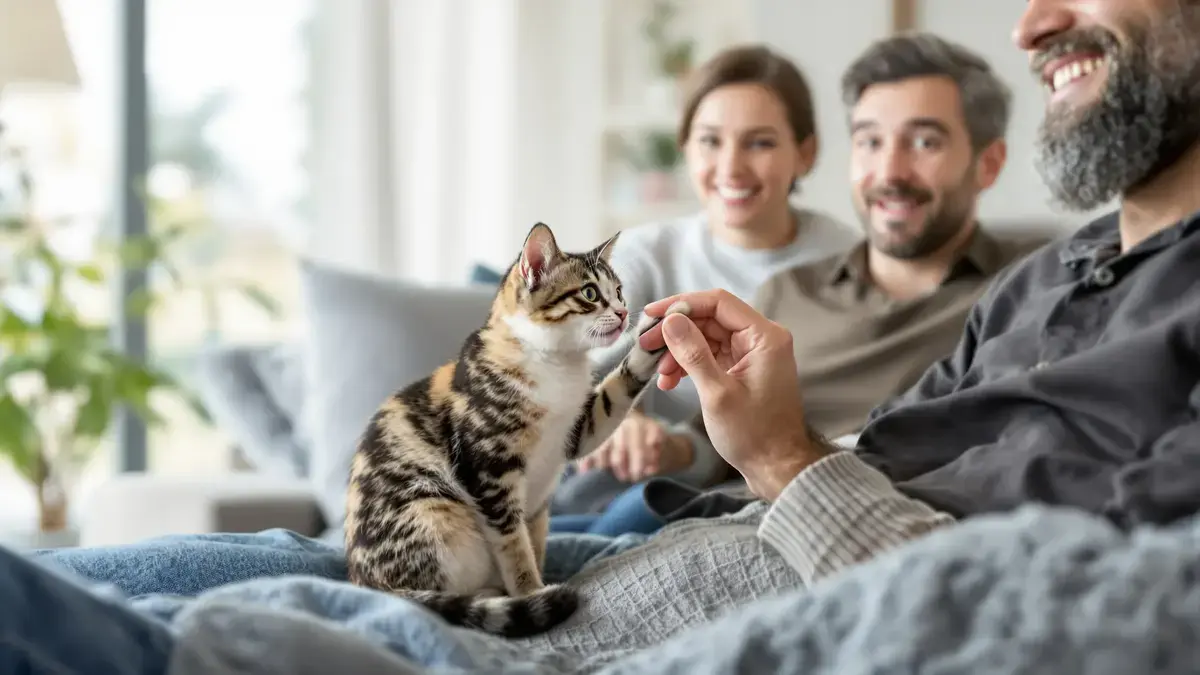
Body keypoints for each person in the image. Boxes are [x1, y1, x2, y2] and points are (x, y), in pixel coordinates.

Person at [8, 0, 1200, 665]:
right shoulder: (1052, 274)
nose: (1032, 19)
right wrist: (747, 448)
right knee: (227, 565)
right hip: (661, 552)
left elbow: (1050, 618)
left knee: (123, 634)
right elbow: (875, 454)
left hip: (677, 613)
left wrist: (777, 456)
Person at [570, 33, 1048, 533]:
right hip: (677, 514)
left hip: (819, 528)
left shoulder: (1028, 289)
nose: (889, 170)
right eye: (869, 141)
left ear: (988, 164)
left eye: (924, 141)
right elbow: (711, 444)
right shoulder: (786, 292)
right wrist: (667, 446)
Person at [549, 44, 860, 529]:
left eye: (760, 143)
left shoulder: (848, 262)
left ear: (806, 152)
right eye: (711, 141)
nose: (731, 167)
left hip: (773, 495)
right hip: (625, 491)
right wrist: (618, 419)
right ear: (685, 146)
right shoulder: (645, 255)